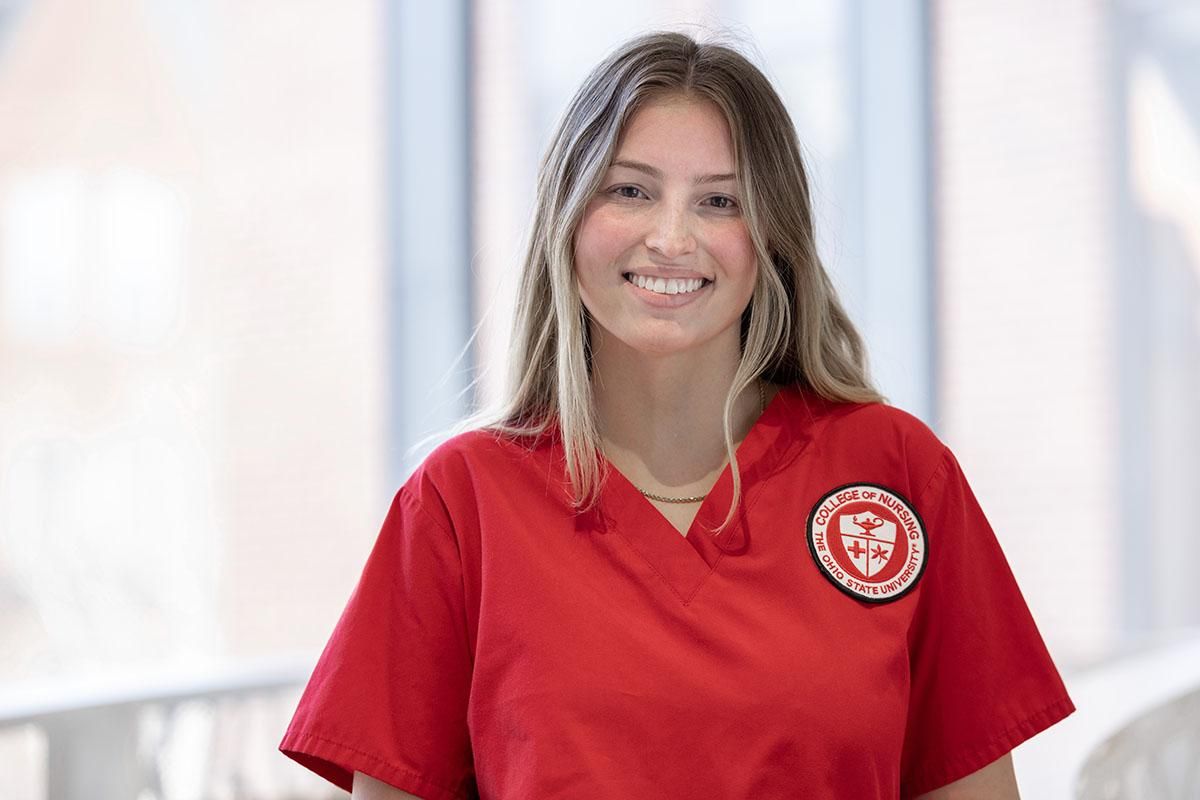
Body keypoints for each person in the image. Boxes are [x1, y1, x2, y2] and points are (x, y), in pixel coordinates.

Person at [279, 29, 1076, 799]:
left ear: (774, 240)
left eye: (720, 201)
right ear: (568, 220)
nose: (671, 238)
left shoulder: (895, 472)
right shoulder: (460, 504)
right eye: (630, 190)